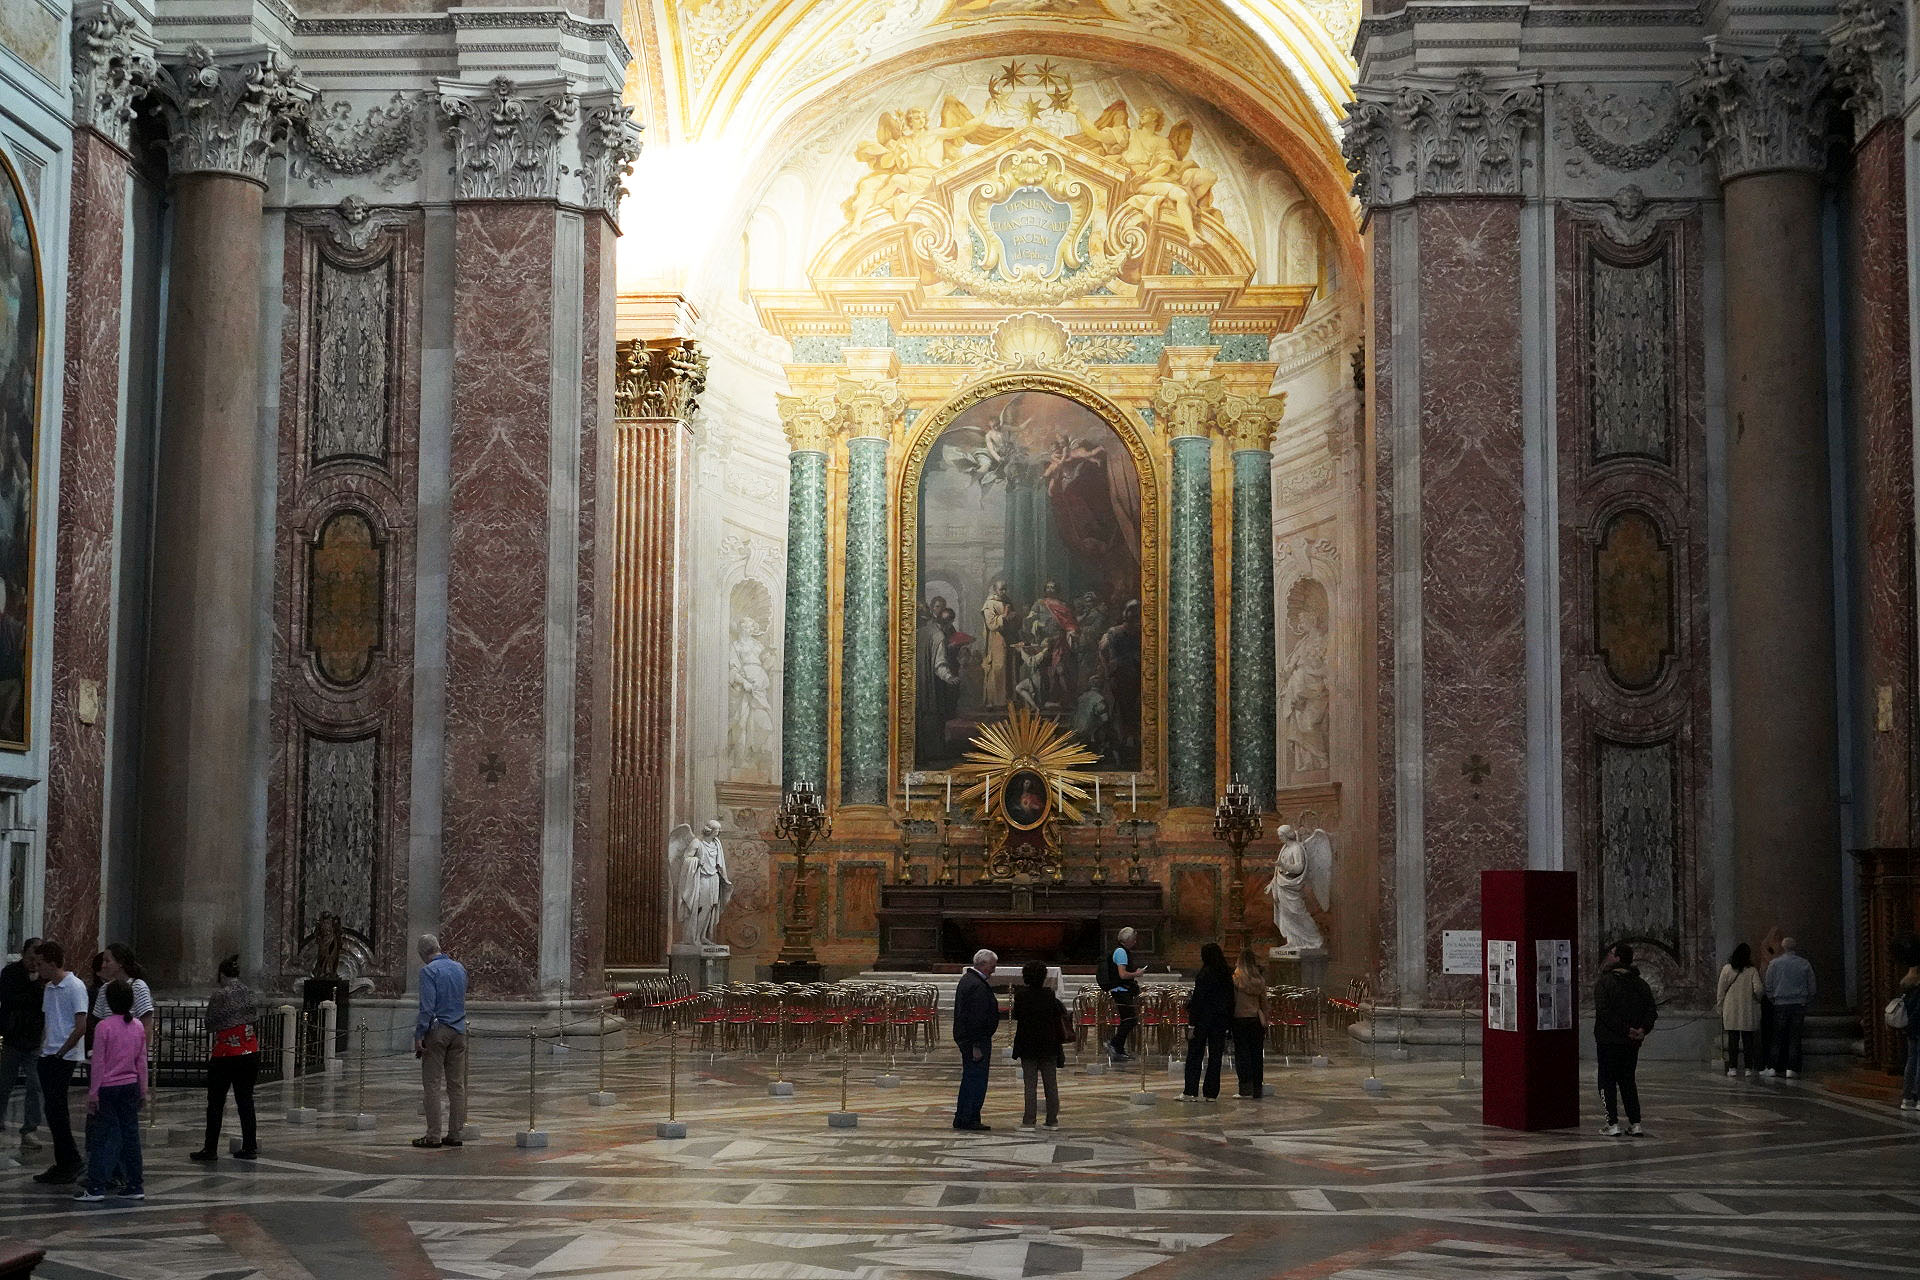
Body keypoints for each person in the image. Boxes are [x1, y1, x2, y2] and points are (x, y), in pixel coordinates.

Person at [73, 980, 145, 1204]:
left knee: (102, 1137)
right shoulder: (138, 1026)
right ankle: (135, 1184)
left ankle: (96, 1186)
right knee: (131, 1137)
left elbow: (98, 1063)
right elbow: (141, 1061)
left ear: (109, 1002)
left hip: (108, 1087)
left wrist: (93, 1093)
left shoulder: (104, 1027)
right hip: (130, 1084)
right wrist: (143, 1090)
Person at [31, 940, 90, 1184]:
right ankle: (64, 1160)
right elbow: (49, 1021)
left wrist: (61, 1051)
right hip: (48, 1053)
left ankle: (70, 1161)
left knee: (56, 1109)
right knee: (52, 1110)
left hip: (63, 1055)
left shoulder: (74, 986)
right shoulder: (49, 988)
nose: (37, 968)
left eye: (40, 964)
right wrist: (44, 1049)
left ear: (53, 963)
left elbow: (81, 1025)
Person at [192, 954, 259, 1162]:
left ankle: (210, 1148)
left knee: (215, 1103)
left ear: (221, 974)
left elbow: (210, 1023)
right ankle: (250, 1146)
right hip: (249, 1051)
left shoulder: (220, 995)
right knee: (245, 1100)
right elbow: (254, 1017)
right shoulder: (249, 992)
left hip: (226, 1054)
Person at [1594, 941, 1657, 1137]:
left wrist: (1625, 1030)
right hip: (1632, 1042)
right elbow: (1651, 1010)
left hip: (1609, 1040)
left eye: (1612, 953)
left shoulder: (1605, 982)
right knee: (1628, 1081)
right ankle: (1635, 1123)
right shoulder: (1641, 984)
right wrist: (1642, 1030)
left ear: (1618, 958)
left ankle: (1612, 1123)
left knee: (1606, 1081)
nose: (1608, 956)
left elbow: (1604, 1011)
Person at [413, 933, 469, 1149]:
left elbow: (427, 1007)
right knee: (457, 1086)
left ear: (422, 954)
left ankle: (433, 1135)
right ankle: (455, 1133)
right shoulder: (459, 968)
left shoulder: (428, 971)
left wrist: (420, 1034)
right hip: (459, 1030)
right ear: (438, 947)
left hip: (438, 1031)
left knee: (432, 1084)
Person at [1011, 960, 1071, 1129]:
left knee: (1030, 1084)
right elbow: (1059, 1014)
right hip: (1048, 1044)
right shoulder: (1049, 995)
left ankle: (1029, 1119)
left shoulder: (1021, 996)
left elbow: (1016, 1015)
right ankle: (1052, 1119)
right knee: (1050, 1084)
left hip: (1027, 1043)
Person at [0, 937, 43, 1156]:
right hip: (13, 1037)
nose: (34, 964)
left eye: (38, 960)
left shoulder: (43, 977)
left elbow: (42, 1004)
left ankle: (30, 1129)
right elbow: (10, 1000)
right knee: (4, 1083)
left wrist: (36, 983)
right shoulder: (10, 973)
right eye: (30, 958)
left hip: (33, 1040)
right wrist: (31, 986)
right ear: (23, 954)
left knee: (34, 1085)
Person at [951, 948, 1000, 1132]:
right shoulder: (976, 985)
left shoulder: (969, 980)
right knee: (976, 1080)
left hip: (970, 1040)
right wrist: (976, 1045)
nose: (994, 970)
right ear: (983, 964)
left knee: (970, 1078)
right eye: (992, 966)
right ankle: (969, 1117)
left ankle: (963, 1117)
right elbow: (975, 1019)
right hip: (975, 1042)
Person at [1182, 942, 1235, 1101]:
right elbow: (1231, 999)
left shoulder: (1204, 974)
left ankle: (1190, 1091)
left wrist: (1192, 1024)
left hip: (1202, 1020)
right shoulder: (1226, 973)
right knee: (1215, 1056)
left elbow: (1198, 1001)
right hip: (1220, 1020)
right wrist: (1229, 1022)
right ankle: (1211, 1093)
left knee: (1194, 1055)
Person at [1762, 937, 1815, 1078]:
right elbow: (1812, 985)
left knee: (1777, 1037)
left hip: (1780, 1003)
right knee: (1795, 1037)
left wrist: (1772, 998)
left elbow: (1768, 984)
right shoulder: (1804, 964)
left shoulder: (1774, 964)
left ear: (1782, 947)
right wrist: (1806, 999)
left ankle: (1773, 1067)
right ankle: (1792, 1068)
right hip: (1798, 1003)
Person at [1716, 943, 1763, 1077]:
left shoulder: (1727, 969)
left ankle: (1732, 1067)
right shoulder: (1752, 970)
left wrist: (1720, 1006)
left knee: (1733, 1039)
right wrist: (1758, 999)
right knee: (1748, 1040)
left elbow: (1721, 990)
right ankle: (1748, 1068)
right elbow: (1758, 989)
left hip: (1731, 1008)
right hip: (1748, 1009)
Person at [1230, 944, 1268, 1099]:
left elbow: (1232, 1000)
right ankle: (1257, 1088)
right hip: (1256, 1019)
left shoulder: (1236, 978)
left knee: (1242, 1054)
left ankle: (1245, 1089)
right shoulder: (1259, 980)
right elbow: (1264, 1002)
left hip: (1240, 1018)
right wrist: (1266, 1018)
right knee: (1256, 1055)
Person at [91, 943, 155, 1032]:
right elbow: (99, 1023)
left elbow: (147, 1025)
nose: (103, 965)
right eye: (103, 961)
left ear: (120, 963)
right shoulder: (104, 989)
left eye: (107, 961)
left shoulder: (138, 987)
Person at [1105, 927, 1144, 1061]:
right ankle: (1114, 1043)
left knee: (1127, 1019)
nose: (1135, 942)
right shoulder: (1121, 952)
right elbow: (1122, 974)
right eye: (1133, 940)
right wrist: (1137, 974)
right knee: (1130, 1019)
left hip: (1122, 990)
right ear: (1127, 940)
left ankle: (1119, 1049)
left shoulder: (1121, 951)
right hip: (1121, 990)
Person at [1898, 942, 1920, 1111]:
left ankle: (1907, 1098)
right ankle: (1918, 1097)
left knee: (1911, 1061)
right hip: (1918, 1024)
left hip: (1910, 1026)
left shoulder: (1906, 984)